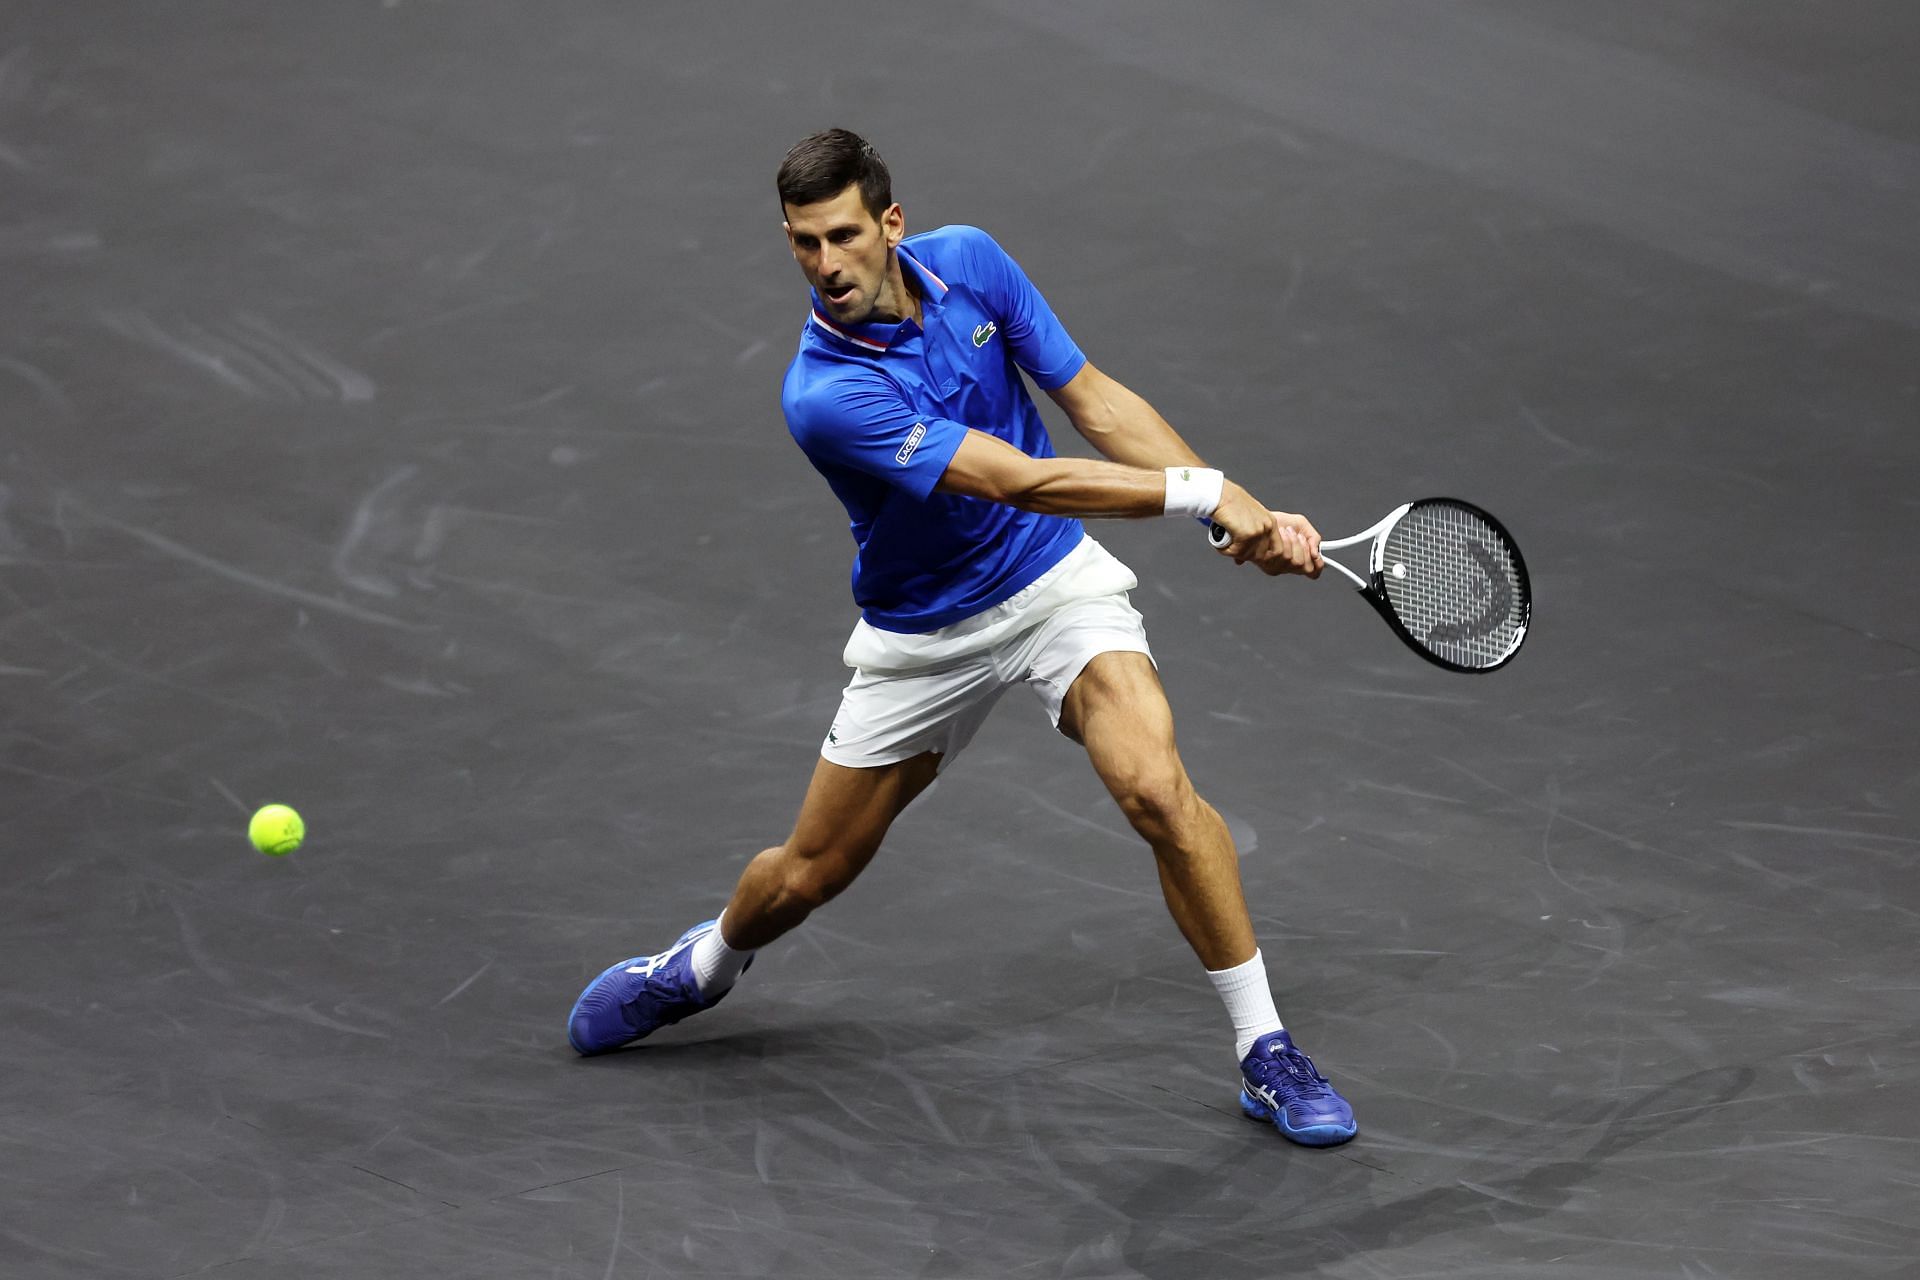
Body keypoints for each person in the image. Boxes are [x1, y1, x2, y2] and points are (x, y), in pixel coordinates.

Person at [568, 128, 1357, 1147]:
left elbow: (1093, 400)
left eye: (843, 236)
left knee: (1157, 787)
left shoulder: (972, 262)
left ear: (890, 224)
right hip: (923, 634)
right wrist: (1203, 493)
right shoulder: (825, 392)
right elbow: (1016, 475)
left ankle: (1265, 1049)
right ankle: (702, 965)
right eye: (802, 244)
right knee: (808, 873)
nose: (825, 264)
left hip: (1052, 584)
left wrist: (1226, 502)